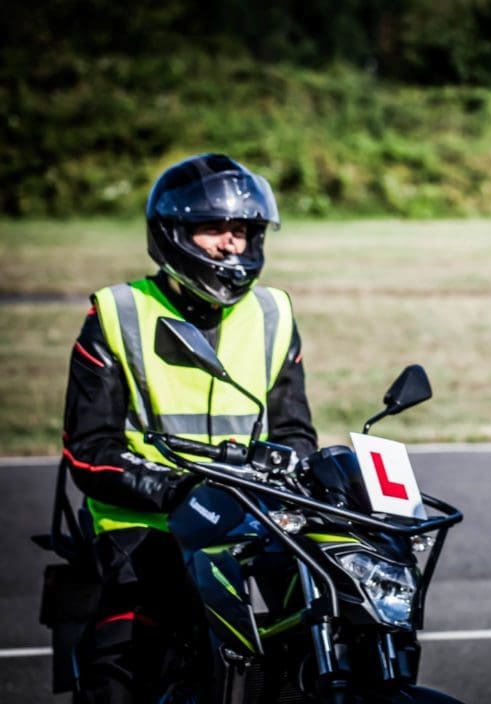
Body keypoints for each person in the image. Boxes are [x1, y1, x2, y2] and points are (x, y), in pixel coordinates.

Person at [61, 153, 317, 702]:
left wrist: (289, 474)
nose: (232, 244)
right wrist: (179, 491)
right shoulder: (118, 311)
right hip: (138, 531)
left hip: (247, 527)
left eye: (243, 230)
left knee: (305, 654)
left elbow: (296, 434)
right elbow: (89, 451)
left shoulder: (273, 314)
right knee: (121, 680)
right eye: (214, 229)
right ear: (173, 234)